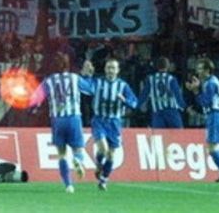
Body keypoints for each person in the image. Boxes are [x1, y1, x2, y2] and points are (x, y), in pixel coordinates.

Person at [30, 54, 94, 193]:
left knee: (61, 154)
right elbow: (90, 90)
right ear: (67, 65)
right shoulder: (75, 78)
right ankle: (77, 160)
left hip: (57, 120)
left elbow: (34, 99)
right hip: (74, 118)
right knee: (78, 149)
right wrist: (88, 75)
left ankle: (68, 185)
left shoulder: (48, 81)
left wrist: (33, 108)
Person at [87, 58, 138, 191]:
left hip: (115, 122)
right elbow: (86, 87)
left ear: (118, 70)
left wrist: (125, 100)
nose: (110, 70)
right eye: (108, 67)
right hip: (99, 120)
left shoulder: (123, 86)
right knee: (103, 149)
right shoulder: (98, 82)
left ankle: (103, 180)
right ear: (105, 69)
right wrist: (87, 75)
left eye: (113, 68)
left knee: (111, 154)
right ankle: (99, 165)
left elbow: (134, 103)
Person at [185, 58, 219, 182]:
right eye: (197, 69)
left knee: (212, 147)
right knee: (216, 146)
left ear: (207, 70)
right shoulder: (210, 82)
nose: (198, 71)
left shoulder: (210, 83)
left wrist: (195, 91)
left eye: (200, 69)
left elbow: (206, 102)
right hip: (218, 115)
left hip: (215, 115)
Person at [138, 56, 186, 128]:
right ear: (168, 66)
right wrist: (184, 106)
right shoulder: (171, 79)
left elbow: (144, 95)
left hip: (157, 112)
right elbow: (177, 95)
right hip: (171, 110)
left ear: (157, 66)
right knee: (178, 135)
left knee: (159, 136)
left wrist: (137, 105)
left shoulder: (150, 79)